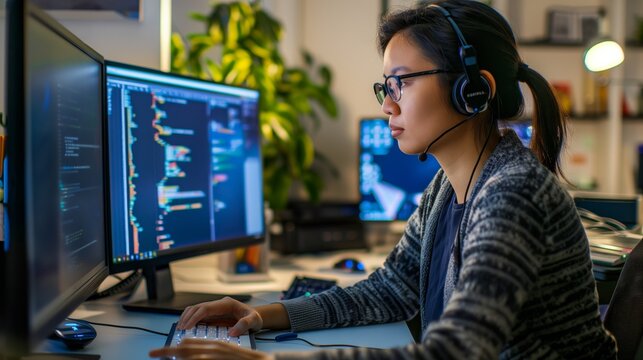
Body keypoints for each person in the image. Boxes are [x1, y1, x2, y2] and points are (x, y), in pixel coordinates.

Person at [150, 1, 618, 358]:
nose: (387, 105)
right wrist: (263, 315)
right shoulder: (447, 188)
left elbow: (456, 352)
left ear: (473, 90)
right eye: (386, 87)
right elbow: (391, 289)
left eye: (403, 82)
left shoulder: (512, 194)